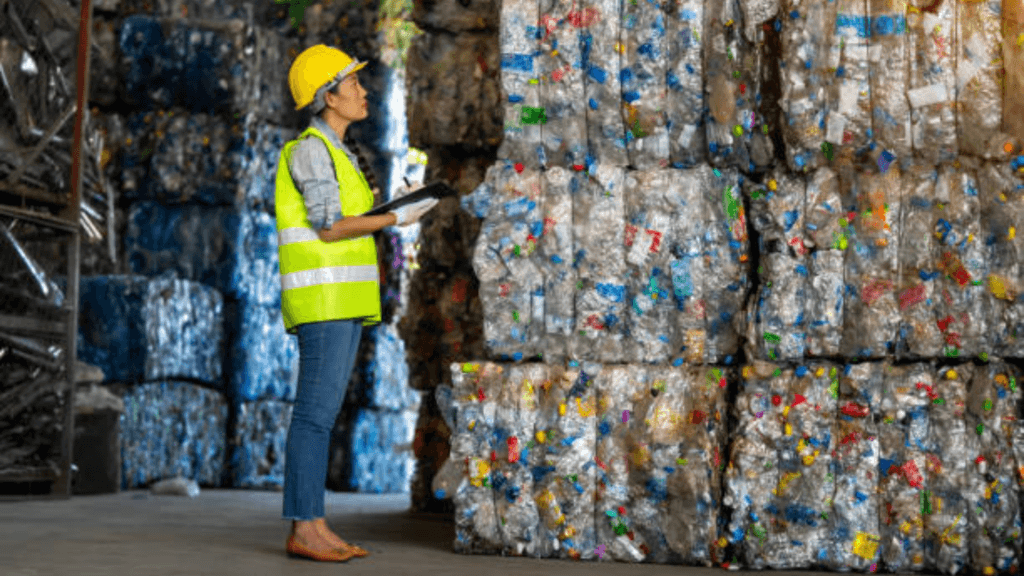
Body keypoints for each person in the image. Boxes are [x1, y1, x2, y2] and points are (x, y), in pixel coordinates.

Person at [275, 44, 439, 563]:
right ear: (328, 95)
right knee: (314, 416)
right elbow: (330, 226)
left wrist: (400, 202)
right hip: (322, 300)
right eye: (353, 84)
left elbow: (348, 215)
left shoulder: (341, 152)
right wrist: (397, 220)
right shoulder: (309, 150)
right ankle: (305, 527)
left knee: (322, 416)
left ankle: (315, 523)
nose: (363, 91)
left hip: (342, 299)